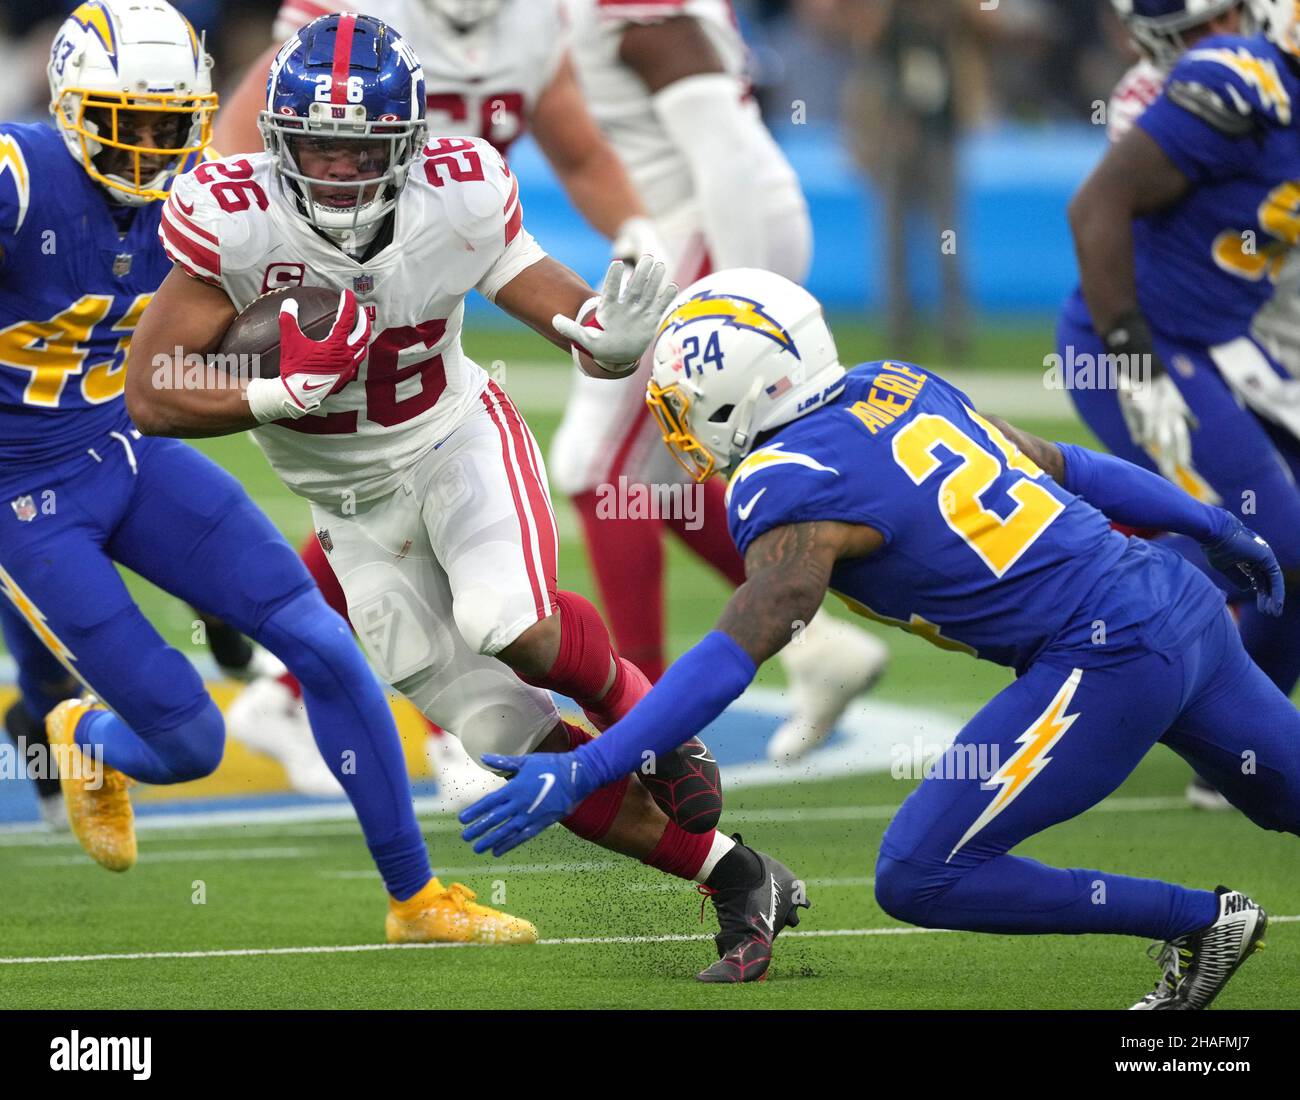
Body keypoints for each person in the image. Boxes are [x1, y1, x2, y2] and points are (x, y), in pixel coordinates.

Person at [125, 12, 801, 981]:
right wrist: (270, 393)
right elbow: (152, 390)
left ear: (409, 143)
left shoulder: (461, 187)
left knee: (504, 617)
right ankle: (737, 873)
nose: (339, 171)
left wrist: (599, 332)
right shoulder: (231, 214)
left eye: (364, 151)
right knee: (496, 735)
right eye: (318, 144)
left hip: (454, 443)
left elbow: (534, 281)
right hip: (350, 513)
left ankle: (648, 716)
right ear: (276, 140)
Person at [460, 268, 1297, 1008]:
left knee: (919, 873)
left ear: (739, 392)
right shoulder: (894, 382)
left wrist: (591, 765)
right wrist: (1211, 523)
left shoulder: (784, 482)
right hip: (1179, 603)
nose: (681, 424)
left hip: (1108, 653)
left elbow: (734, 650)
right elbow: (1062, 463)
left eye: (684, 402)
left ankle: (1200, 922)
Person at [0, 0, 531, 946]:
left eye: (170, 126)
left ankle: (414, 899)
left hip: (128, 448)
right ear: (70, 108)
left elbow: (182, 369)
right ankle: (84, 736)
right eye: (127, 127)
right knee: (191, 741)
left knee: (324, 645)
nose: (152, 150)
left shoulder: (209, 198)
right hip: (21, 494)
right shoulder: (21, 180)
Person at [207, 0, 666, 807]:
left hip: (431, 254)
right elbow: (236, 155)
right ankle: (356, 698)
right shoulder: (348, 24)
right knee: (375, 474)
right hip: (321, 269)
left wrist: (636, 236)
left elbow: (581, 150)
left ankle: (281, 676)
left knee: (413, 458)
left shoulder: (532, 28)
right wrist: (268, 268)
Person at [551, 0, 889, 764]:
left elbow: (721, 144)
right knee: (657, 473)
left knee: (601, 467)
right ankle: (817, 643)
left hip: (708, 225)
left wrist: (739, 288)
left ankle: (648, 728)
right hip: (687, 224)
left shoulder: (632, 12)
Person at [1066, 0, 1300, 714]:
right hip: (1148, 339)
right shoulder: (1233, 81)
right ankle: (1069, 599)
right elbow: (1097, 206)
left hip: (1232, 342)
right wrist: (1136, 361)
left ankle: (1243, 744)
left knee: (1290, 555)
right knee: (1277, 545)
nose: (1214, 37)